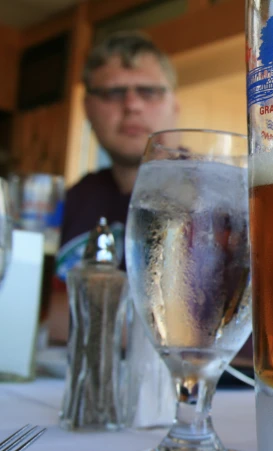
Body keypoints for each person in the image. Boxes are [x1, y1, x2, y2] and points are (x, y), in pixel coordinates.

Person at [49, 32, 179, 344]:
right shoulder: (74, 199)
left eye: (148, 92)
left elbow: (202, 329)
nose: (132, 105)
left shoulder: (218, 198)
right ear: (88, 108)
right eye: (113, 93)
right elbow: (43, 316)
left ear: (174, 105)